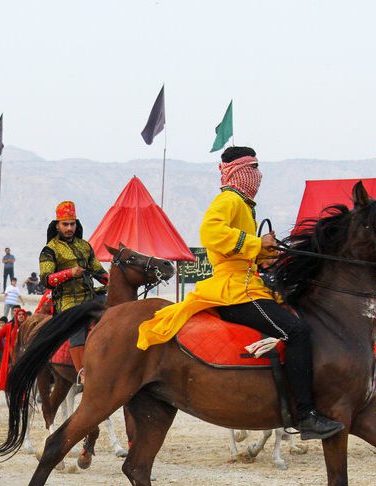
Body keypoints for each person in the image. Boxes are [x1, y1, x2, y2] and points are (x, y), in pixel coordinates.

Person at [136, 146, 343, 440]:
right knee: (296, 331)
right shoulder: (229, 199)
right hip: (235, 291)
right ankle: (306, 414)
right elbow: (210, 233)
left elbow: (240, 250)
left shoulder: (244, 205)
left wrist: (263, 254)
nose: (258, 175)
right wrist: (257, 244)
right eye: (253, 168)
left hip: (248, 284)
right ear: (239, 172)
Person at [39, 200, 109, 384]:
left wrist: (113, 280)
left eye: (72, 224)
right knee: (78, 323)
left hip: (89, 295)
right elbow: (46, 279)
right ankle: (82, 373)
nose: (69, 228)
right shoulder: (49, 250)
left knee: (115, 306)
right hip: (67, 300)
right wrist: (69, 273)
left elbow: (99, 272)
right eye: (65, 224)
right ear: (57, 226)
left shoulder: (85, 246)